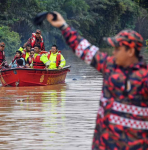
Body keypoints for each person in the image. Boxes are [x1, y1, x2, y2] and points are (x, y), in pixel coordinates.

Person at [46, 12, 148, 149]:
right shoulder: (109, 66)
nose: (114, 52)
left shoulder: (144, 78)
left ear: (130, 51)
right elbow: (83, 48)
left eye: (118, 48)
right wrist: (62, 25)